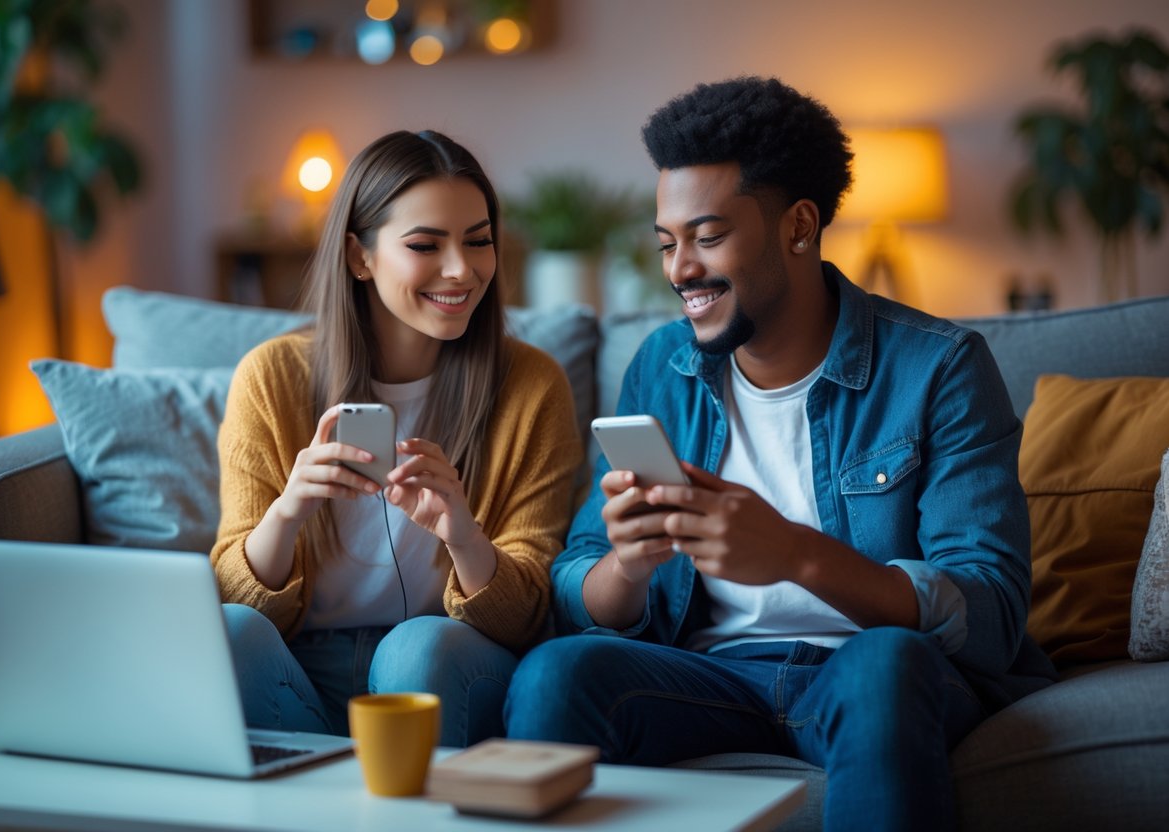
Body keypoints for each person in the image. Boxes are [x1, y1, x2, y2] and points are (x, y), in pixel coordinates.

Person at [504, 77, 1057, 829]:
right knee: (557, 674)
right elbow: (578, 584)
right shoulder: (657, 367)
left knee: (882, 666)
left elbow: (989, 609)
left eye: (706, 237)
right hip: (707, 677)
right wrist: (627, 565)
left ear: (798, 227)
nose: (679, 270)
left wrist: (796, 554)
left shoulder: (939, 366)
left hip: (868, 673)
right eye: (667, 243)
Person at [211, 129, 583, 747]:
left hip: (444, 663)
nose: (462, 269)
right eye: (424, 244)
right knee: (228, 631)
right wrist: (287, 512)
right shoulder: (271, 377)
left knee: (416, 648)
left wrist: (462, 533)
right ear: (360, 256)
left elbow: (528, 615)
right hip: (296, 670)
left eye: (478, 241)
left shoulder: (530, 386)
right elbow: (233, 596)